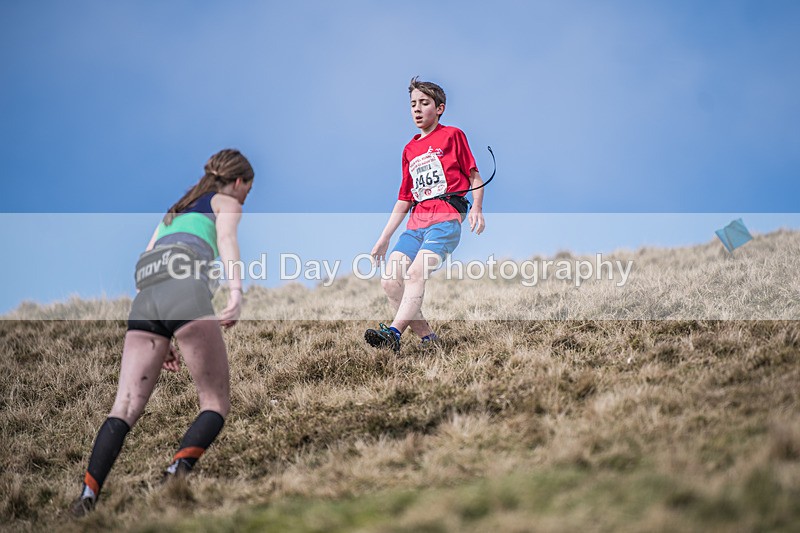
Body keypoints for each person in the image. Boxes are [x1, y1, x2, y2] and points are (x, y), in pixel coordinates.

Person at [71, 149, 254, 516]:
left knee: (123, 407)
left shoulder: (173, 213)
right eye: (248, 188)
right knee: (215, 403)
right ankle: (175, 474)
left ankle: (87, 496)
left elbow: (144, 263)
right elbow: (228, 243)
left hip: (147, 302)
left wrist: (160, 329)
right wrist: (236, 293)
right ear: (237, 182)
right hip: (186, 293)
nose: (246, 196)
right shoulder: (227, 203)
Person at [366, 77, 486, 352]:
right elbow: (404, 198)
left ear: (439, 108)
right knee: (389, 281)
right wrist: (384, 238)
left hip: (444, 222)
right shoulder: (409, 150)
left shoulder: (453, 135)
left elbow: (474, 176)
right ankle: (429, 341)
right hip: (415, 224)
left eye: (424, 103)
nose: (417, 109)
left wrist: (477, 207)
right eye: (413, 105)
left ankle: (393, 333)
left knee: (415, 274)